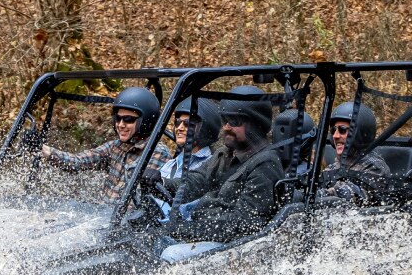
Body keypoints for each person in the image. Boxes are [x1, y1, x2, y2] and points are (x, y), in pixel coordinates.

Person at [162, 86, 283, 252]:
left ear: (255, 124)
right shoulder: (226, 153)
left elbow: (245, 223)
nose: (226, 127)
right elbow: (196, 181)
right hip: (208, 234)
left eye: (234, 122)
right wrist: (162, 183)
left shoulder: (265, 164)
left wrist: (188, 230)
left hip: (235, 247)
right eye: (225, 120)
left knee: (171, 254)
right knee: (148, 239)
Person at [41, 87, 171, 203]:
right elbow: (79, 161)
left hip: (127, 223)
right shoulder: (117, 145)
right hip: (103, 216)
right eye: (118, 118)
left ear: (145, 121)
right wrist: (44, 149)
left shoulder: (157, 152)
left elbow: (142, 199)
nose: (120, 124)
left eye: (128, 119)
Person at [158, 97, 221, 184]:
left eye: (188, 123)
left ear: (205, 128)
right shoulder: (170, 164)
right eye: (177, 122)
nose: (179, 128)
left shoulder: (212, 166)